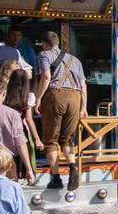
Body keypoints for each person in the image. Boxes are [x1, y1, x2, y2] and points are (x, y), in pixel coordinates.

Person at [33, 31, 87, 192]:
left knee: (50, 140)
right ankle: (73, 168)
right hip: (76, 97)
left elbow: (46, 76)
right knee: (67, 138)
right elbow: (84, 85)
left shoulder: (44, 55)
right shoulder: (75, 60)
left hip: (56, 95)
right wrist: (83, 108)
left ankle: (56, 177)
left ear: (44, 43)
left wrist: (38, 98)